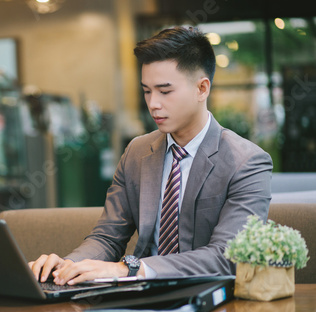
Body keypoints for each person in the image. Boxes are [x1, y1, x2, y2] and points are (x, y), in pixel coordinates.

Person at [29, 26, 273, 286]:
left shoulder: (247, 161)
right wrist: (67, 267)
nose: (153, 103)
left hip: (208, 297)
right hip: (136, 295)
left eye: (165, 91)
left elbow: (227, 257)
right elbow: (107, 238)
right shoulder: (137, 152)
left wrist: (129, 268)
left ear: (202, 89)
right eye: (147, 91)